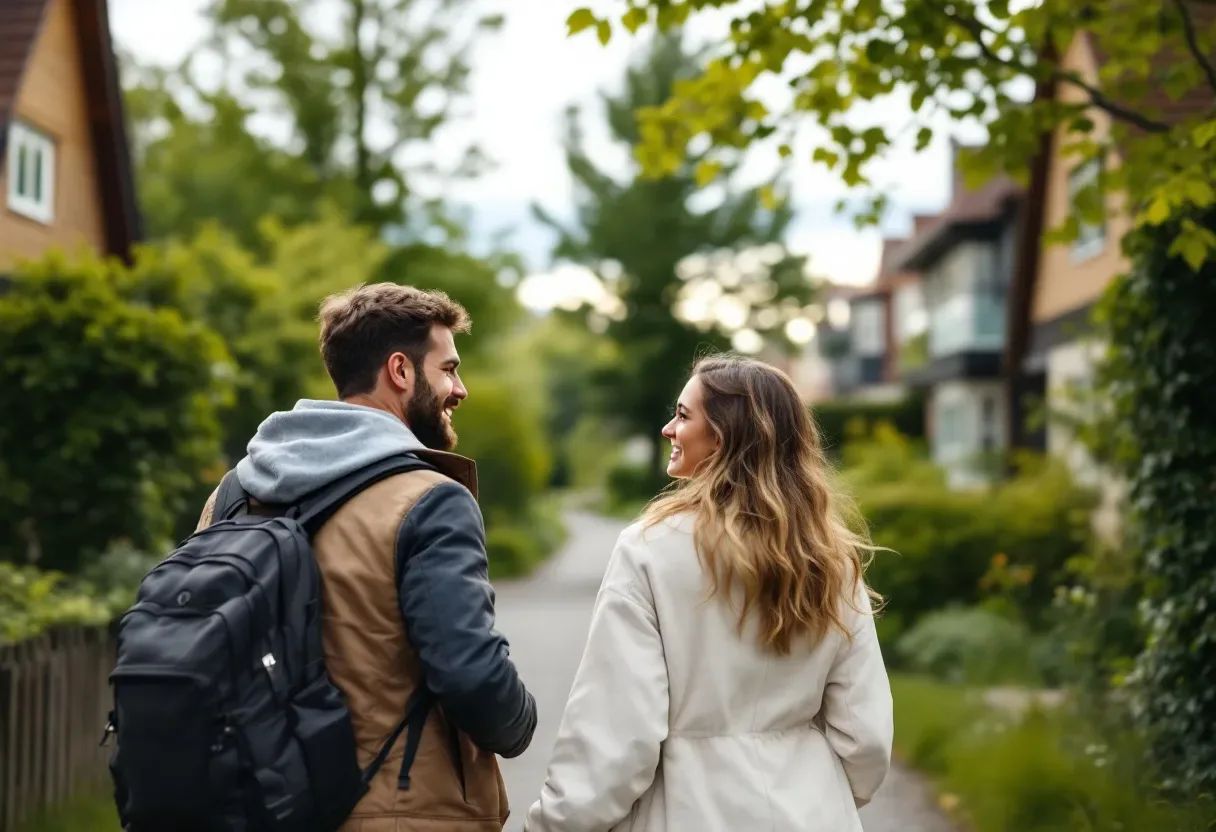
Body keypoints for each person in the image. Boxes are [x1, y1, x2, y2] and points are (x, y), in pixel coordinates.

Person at [196, 282, 536, 831]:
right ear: (400, 371)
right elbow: (469, 674)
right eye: (448, 369)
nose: (461, 388)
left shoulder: (235, 493)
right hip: (400, 813)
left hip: (258, 805)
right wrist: (522, 721)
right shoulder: (430, 499)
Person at [526, 354, 892, 832]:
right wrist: (818, 794)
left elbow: (617, 732)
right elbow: (866, 739)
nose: (667, 429)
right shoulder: (829, 559)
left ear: (723, 435)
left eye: (682, 415)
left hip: (687, 811)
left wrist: (555, 824)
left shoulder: (649, 550)